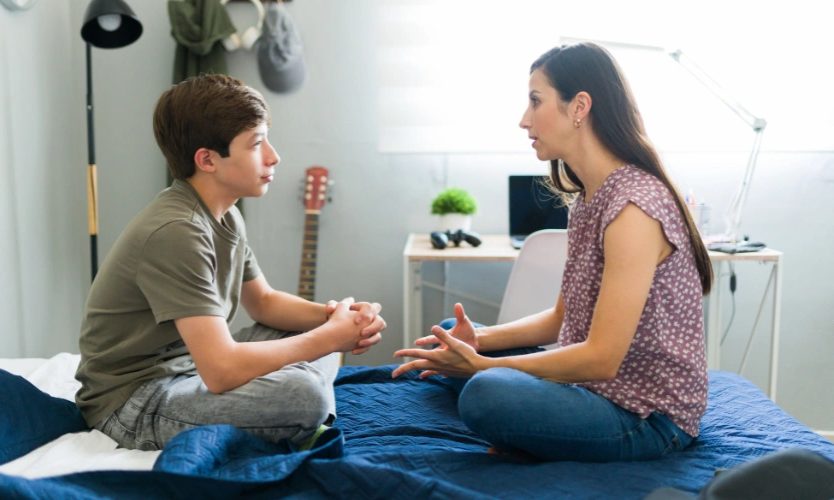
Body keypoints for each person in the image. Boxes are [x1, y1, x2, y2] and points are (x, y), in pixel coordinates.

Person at [393, 42, 713, 462]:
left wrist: (482, 367)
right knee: (451, 334)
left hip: (643, 416)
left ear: (579, 106)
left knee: (485, 393)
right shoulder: (588, 198)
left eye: (535, 101)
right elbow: (563, 318)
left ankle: (524, 425)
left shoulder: (634, 208)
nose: (524, 120)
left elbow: (602, 359)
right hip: (590, 388)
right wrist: (478, 341)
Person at [75, 74, 386, 451]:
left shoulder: (226, 215)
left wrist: (338, 319)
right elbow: (221, 371)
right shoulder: (177, 231)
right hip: (136, 402)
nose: (273, 156)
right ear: (207, 159)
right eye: (256, 143)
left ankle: (299, 414)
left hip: (192, 369)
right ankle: (304, 414)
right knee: (304, 395)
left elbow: (264, 303)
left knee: (307, 339)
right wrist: (328, 339)